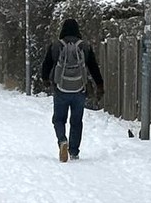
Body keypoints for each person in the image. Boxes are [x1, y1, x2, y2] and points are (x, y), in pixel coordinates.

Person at [39, 18, 105, 162]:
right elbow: (93, 67)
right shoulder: (84, 46)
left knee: (58, 119)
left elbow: (47, 64)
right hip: (79, 89)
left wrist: (45, 79)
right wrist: (99, 85)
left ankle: (62, 140)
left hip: (60, 88)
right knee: (76, 121)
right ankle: (74, 151)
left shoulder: (56, 45)